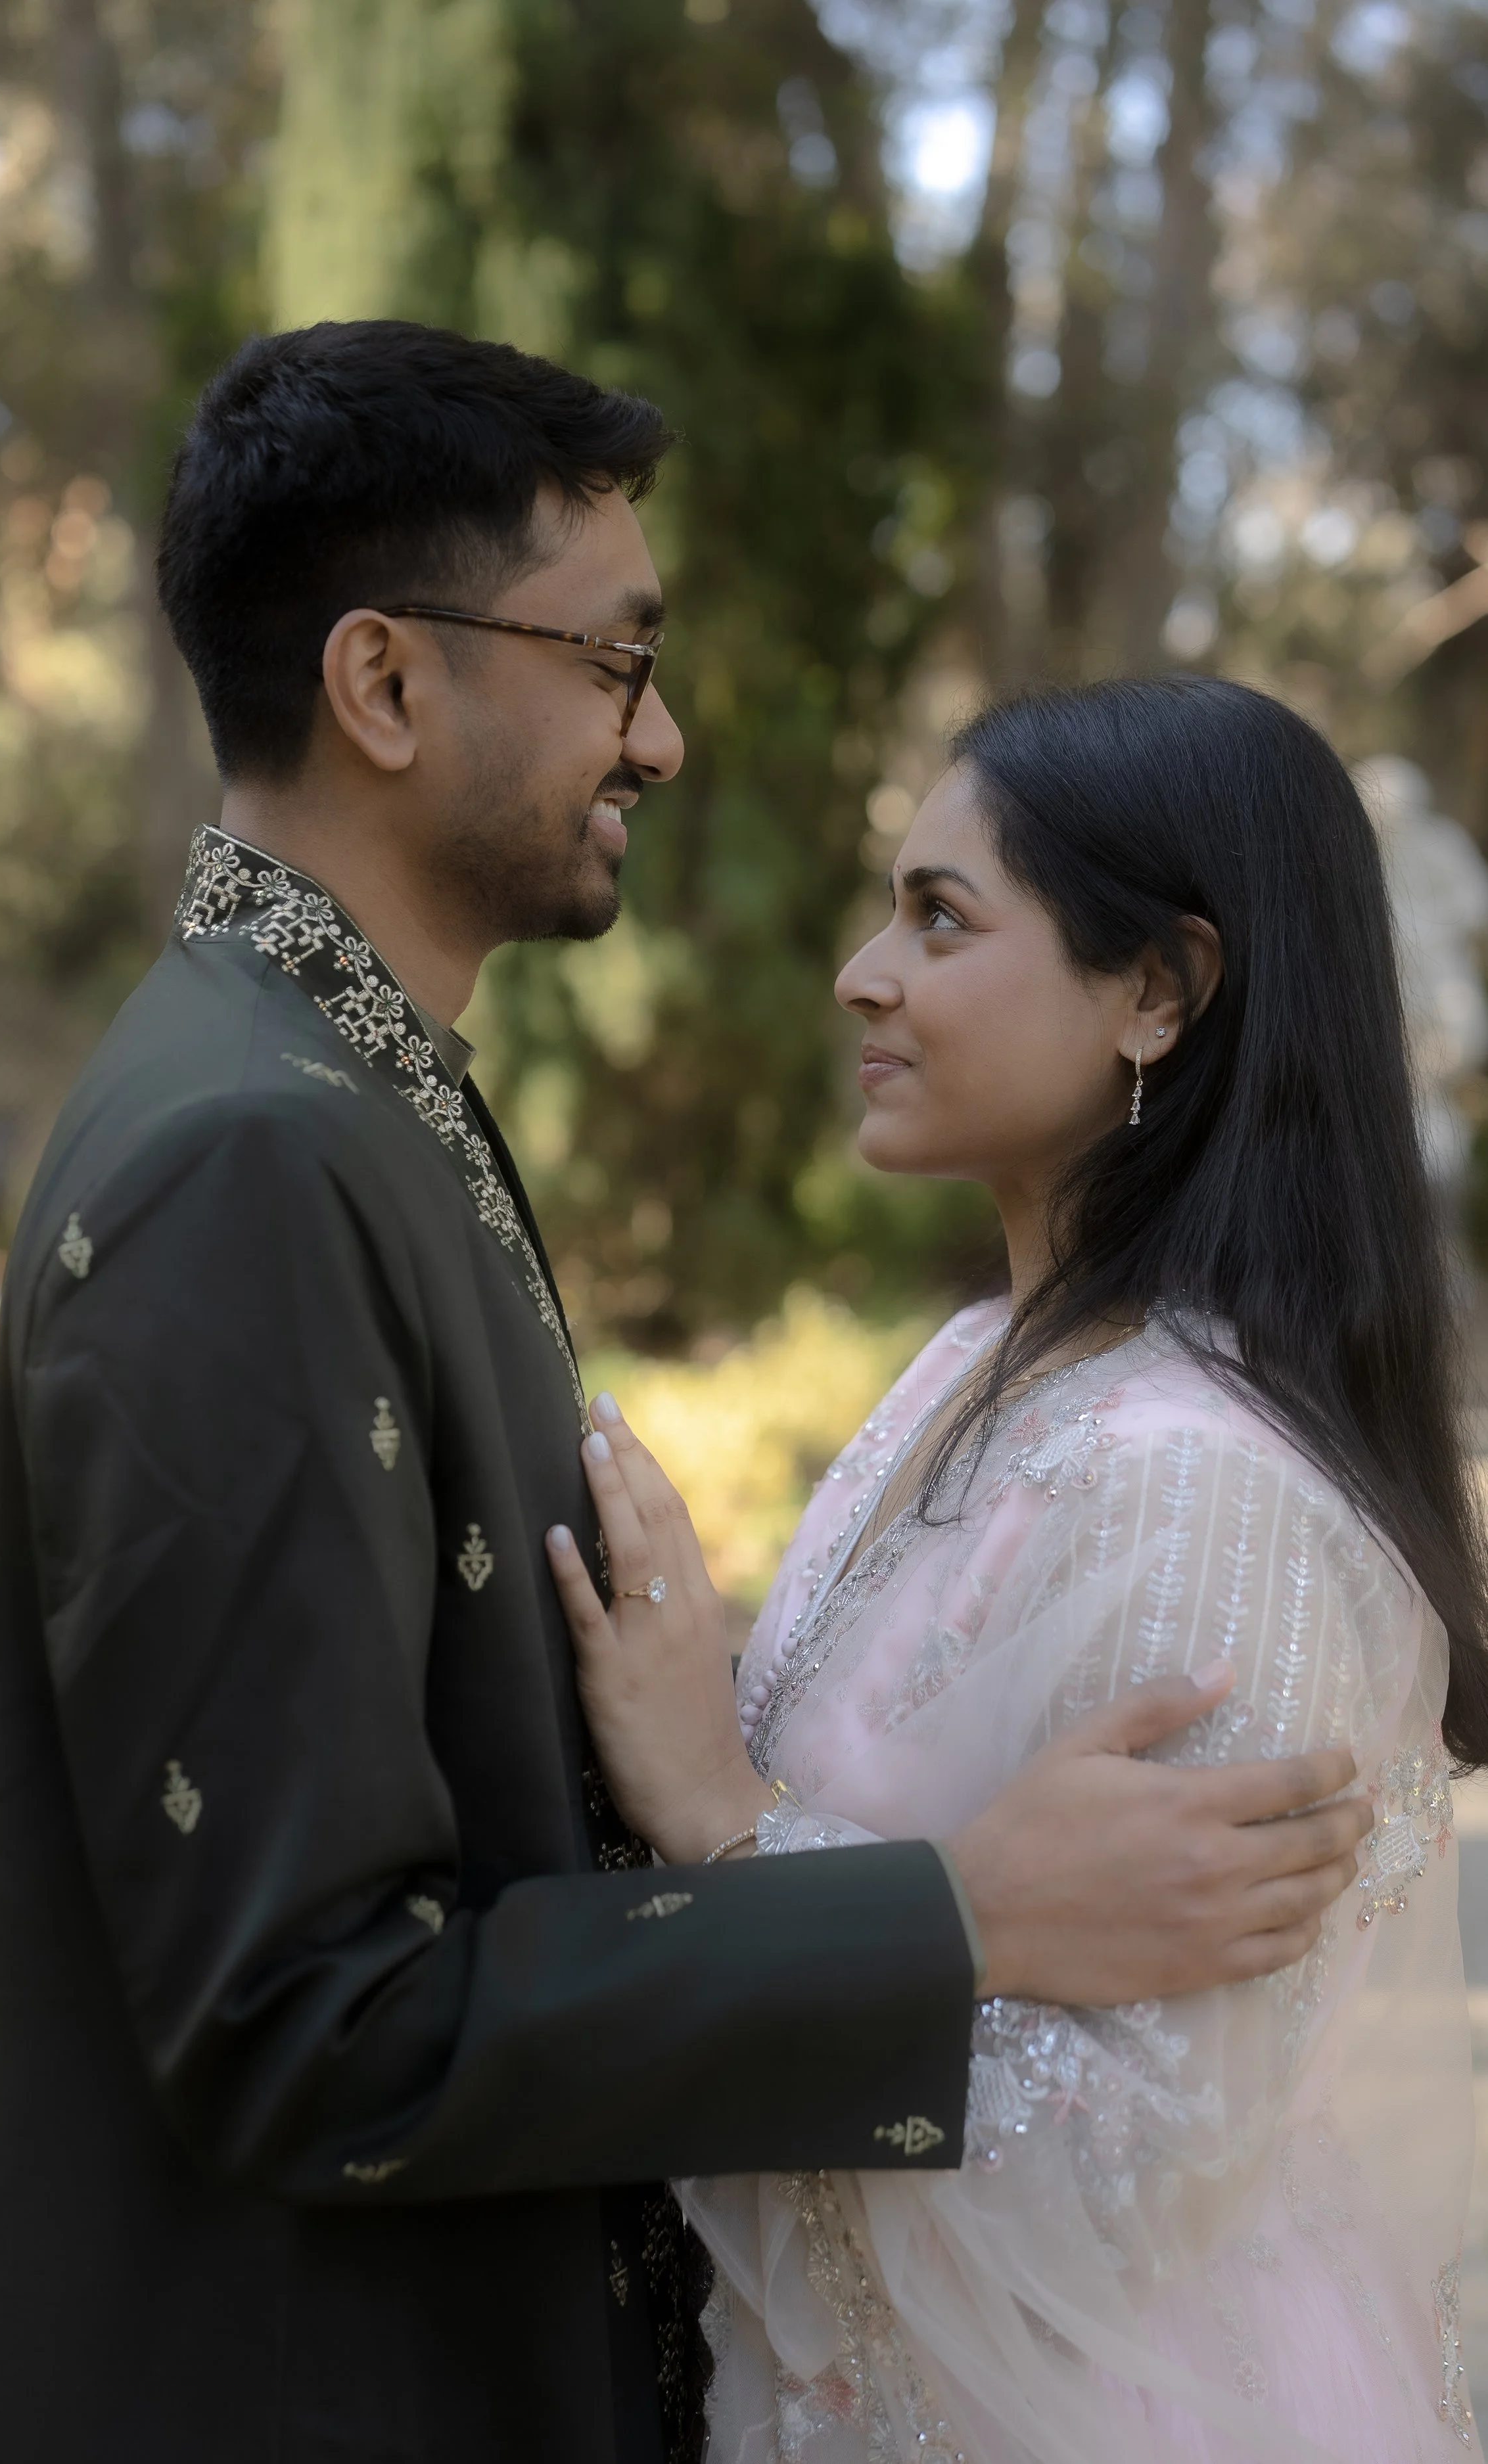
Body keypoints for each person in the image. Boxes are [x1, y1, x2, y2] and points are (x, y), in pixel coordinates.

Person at [0, 327, 1370, 2464]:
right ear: (388, 685)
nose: (668, 736)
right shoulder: (250, 1149)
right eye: (617, 662)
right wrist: (950, 1912)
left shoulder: (347, 1091)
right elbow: (305, 2020)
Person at [550, 676, 1487, 2463]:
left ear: (1157, 990)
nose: (860, 972)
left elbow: (1119, 2172)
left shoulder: (1219, 1502)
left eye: (940, 916)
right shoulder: (977, 1368)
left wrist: (731, 1831)